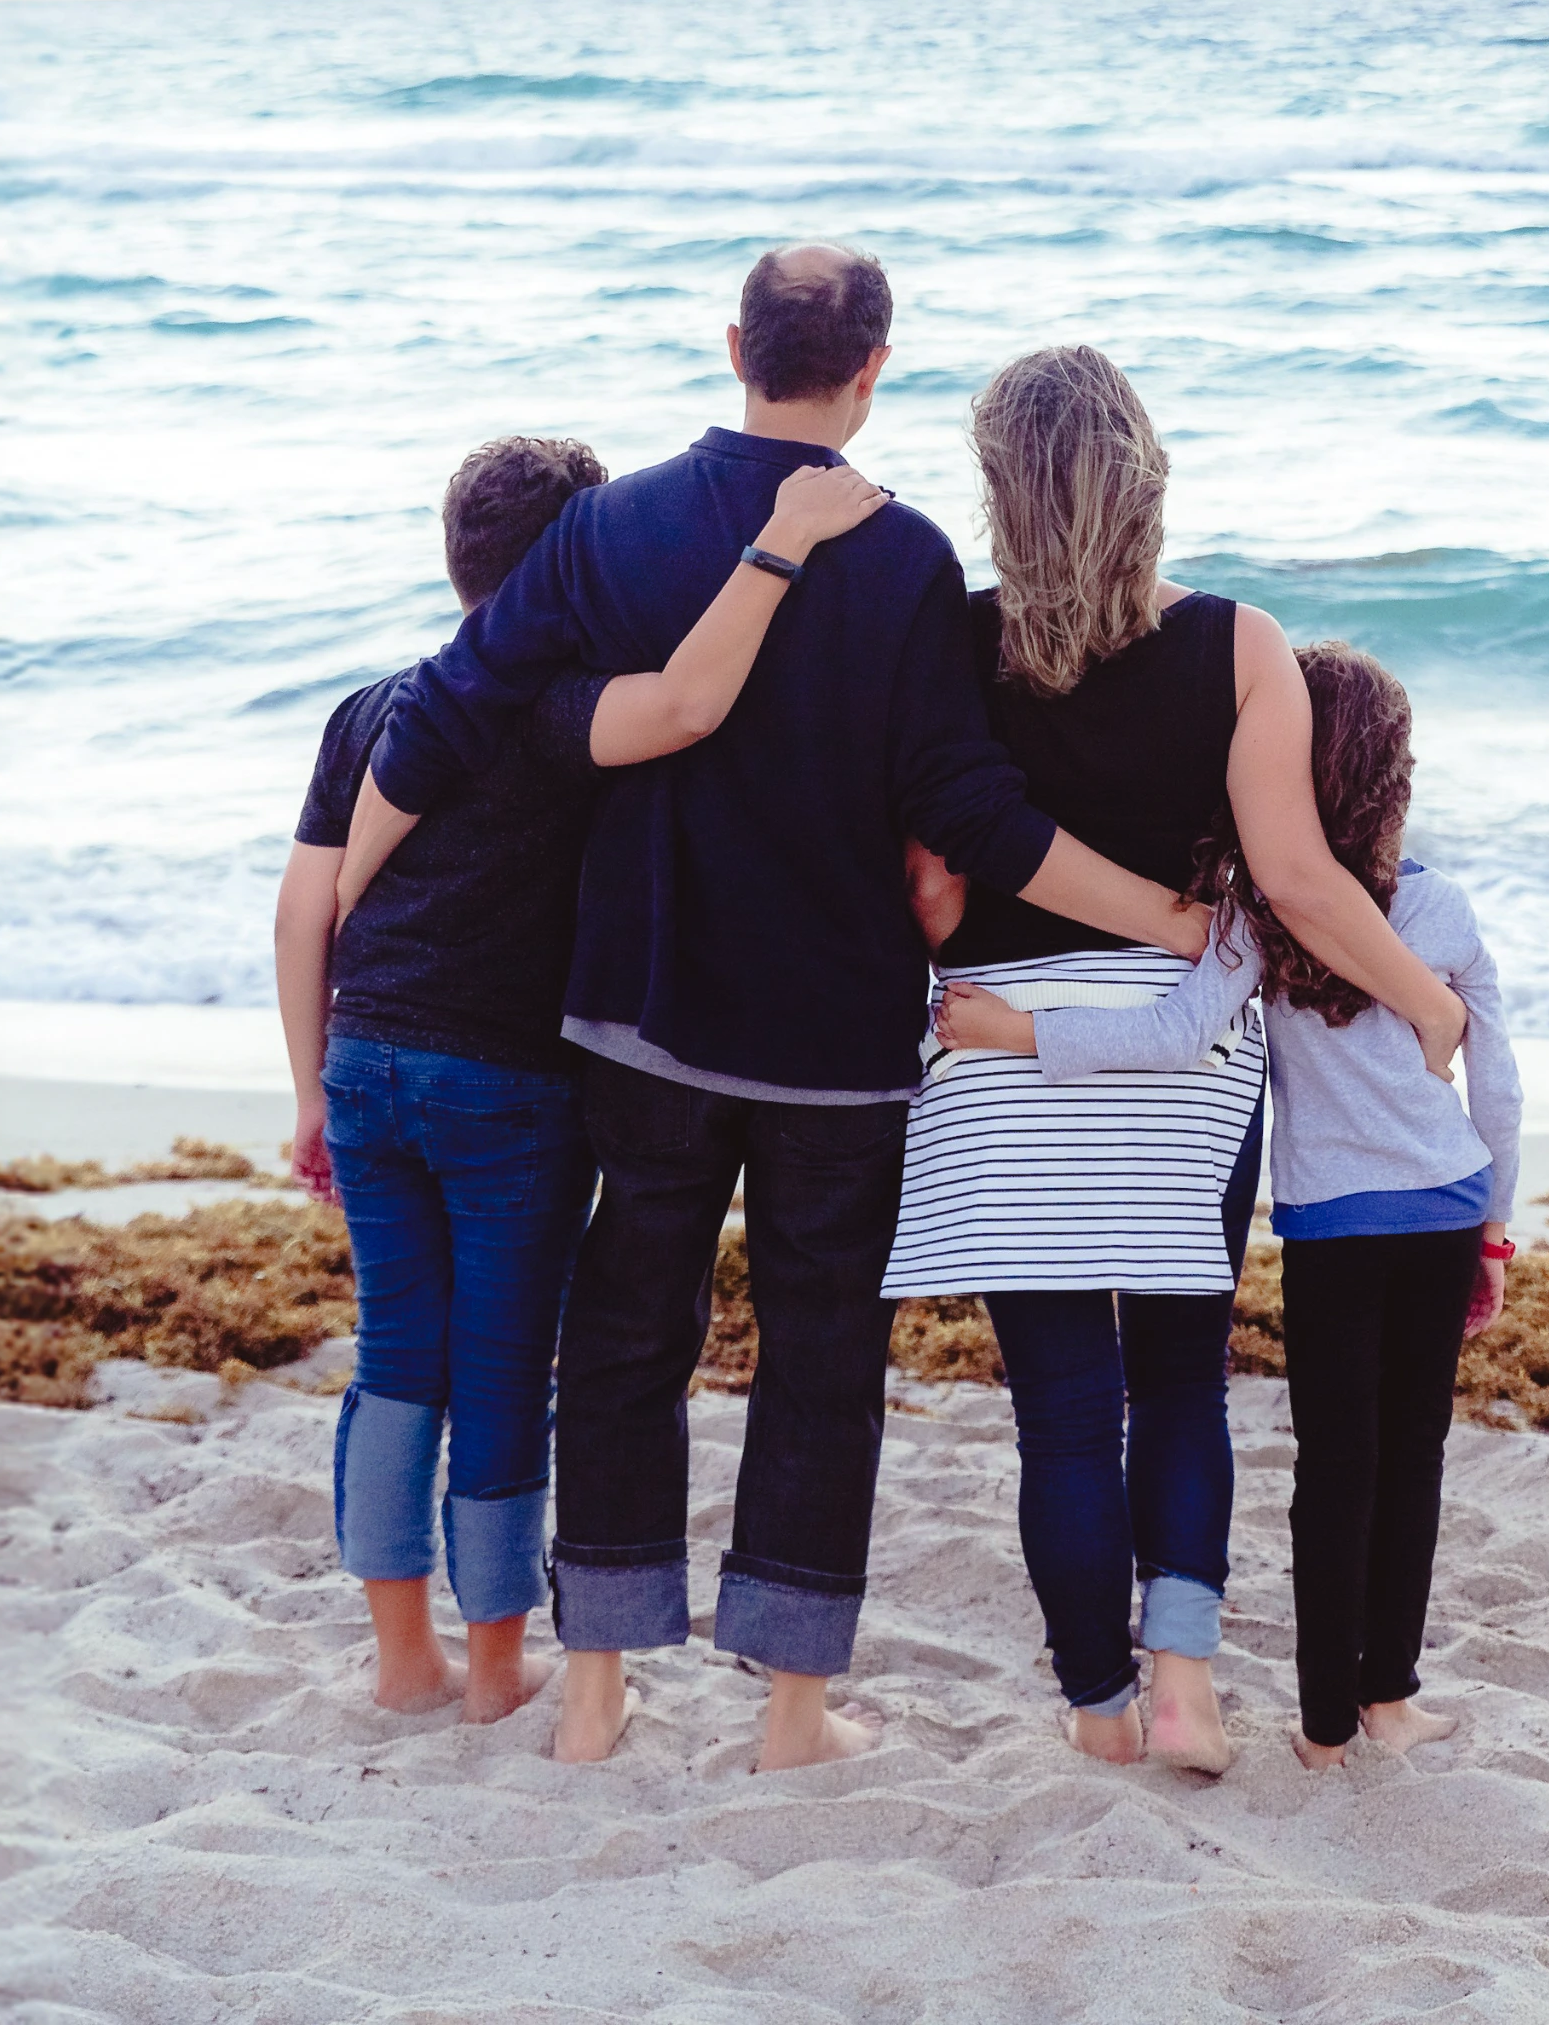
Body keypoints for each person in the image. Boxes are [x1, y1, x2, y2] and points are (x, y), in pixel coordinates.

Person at [344, 245, 1212, 1774]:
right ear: (875, 366)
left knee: (624, 1337)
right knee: (821, 1361)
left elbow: (453, 705)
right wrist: (1167, 917)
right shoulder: (905, 559)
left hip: (644, 1016)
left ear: (734, 340)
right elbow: (970, 808)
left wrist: (350, 893)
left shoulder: (611, 526)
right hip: (833, 1041)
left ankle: (597, 1686)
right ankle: (792, 1715)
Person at [882, 347, 1478, 1778]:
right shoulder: (1237, 642)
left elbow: (926, 885)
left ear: (998, 490)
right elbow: (1298, 878)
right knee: (1184, 1383)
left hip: (1000, 1051)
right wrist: (1427, 1005)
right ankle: (1189, 1683)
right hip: (1178, 1058)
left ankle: (1098, 1704)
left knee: (1067, 1412)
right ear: (1146, 476)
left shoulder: (952, 644)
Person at [275, 431, 893, 1724]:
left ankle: (401, 1658)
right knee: (500, 1370)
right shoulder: (558, 709)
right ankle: (497, 1666)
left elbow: (304, 911)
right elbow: (686, 703)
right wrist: (782, 546)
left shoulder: (373, 704)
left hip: (369, 1064)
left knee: (397, 1357)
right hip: (505, 1087)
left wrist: (310, 1091)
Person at [937, 640, 1520, 1768]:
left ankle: (1319, 1730)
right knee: (1415, 1460)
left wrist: (1015, 1031)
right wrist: (1495, 1222)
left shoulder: (1259, 915)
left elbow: (1169, 1033)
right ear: (1397, 775)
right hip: (1445, 1210)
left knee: (1334, 1468)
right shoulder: (1441, 910)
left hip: (1331, 1227)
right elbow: (1496, 1084)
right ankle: (1389, 1696)